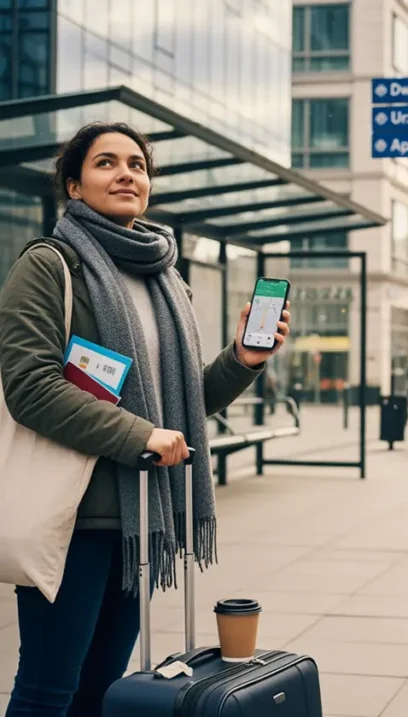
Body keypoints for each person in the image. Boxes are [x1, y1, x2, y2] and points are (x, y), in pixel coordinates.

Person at [0, 122, 291, 716]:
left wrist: (241, 360)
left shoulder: (165, 278)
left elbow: (178, 408)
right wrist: (140, 436)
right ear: (74, 187)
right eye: (106, 162)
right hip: (73, 516)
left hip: (140, 521)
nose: (126, 172)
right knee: (47, 690)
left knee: (103, 690)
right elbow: (30, 388)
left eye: (137, 164)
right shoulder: (51, 265)